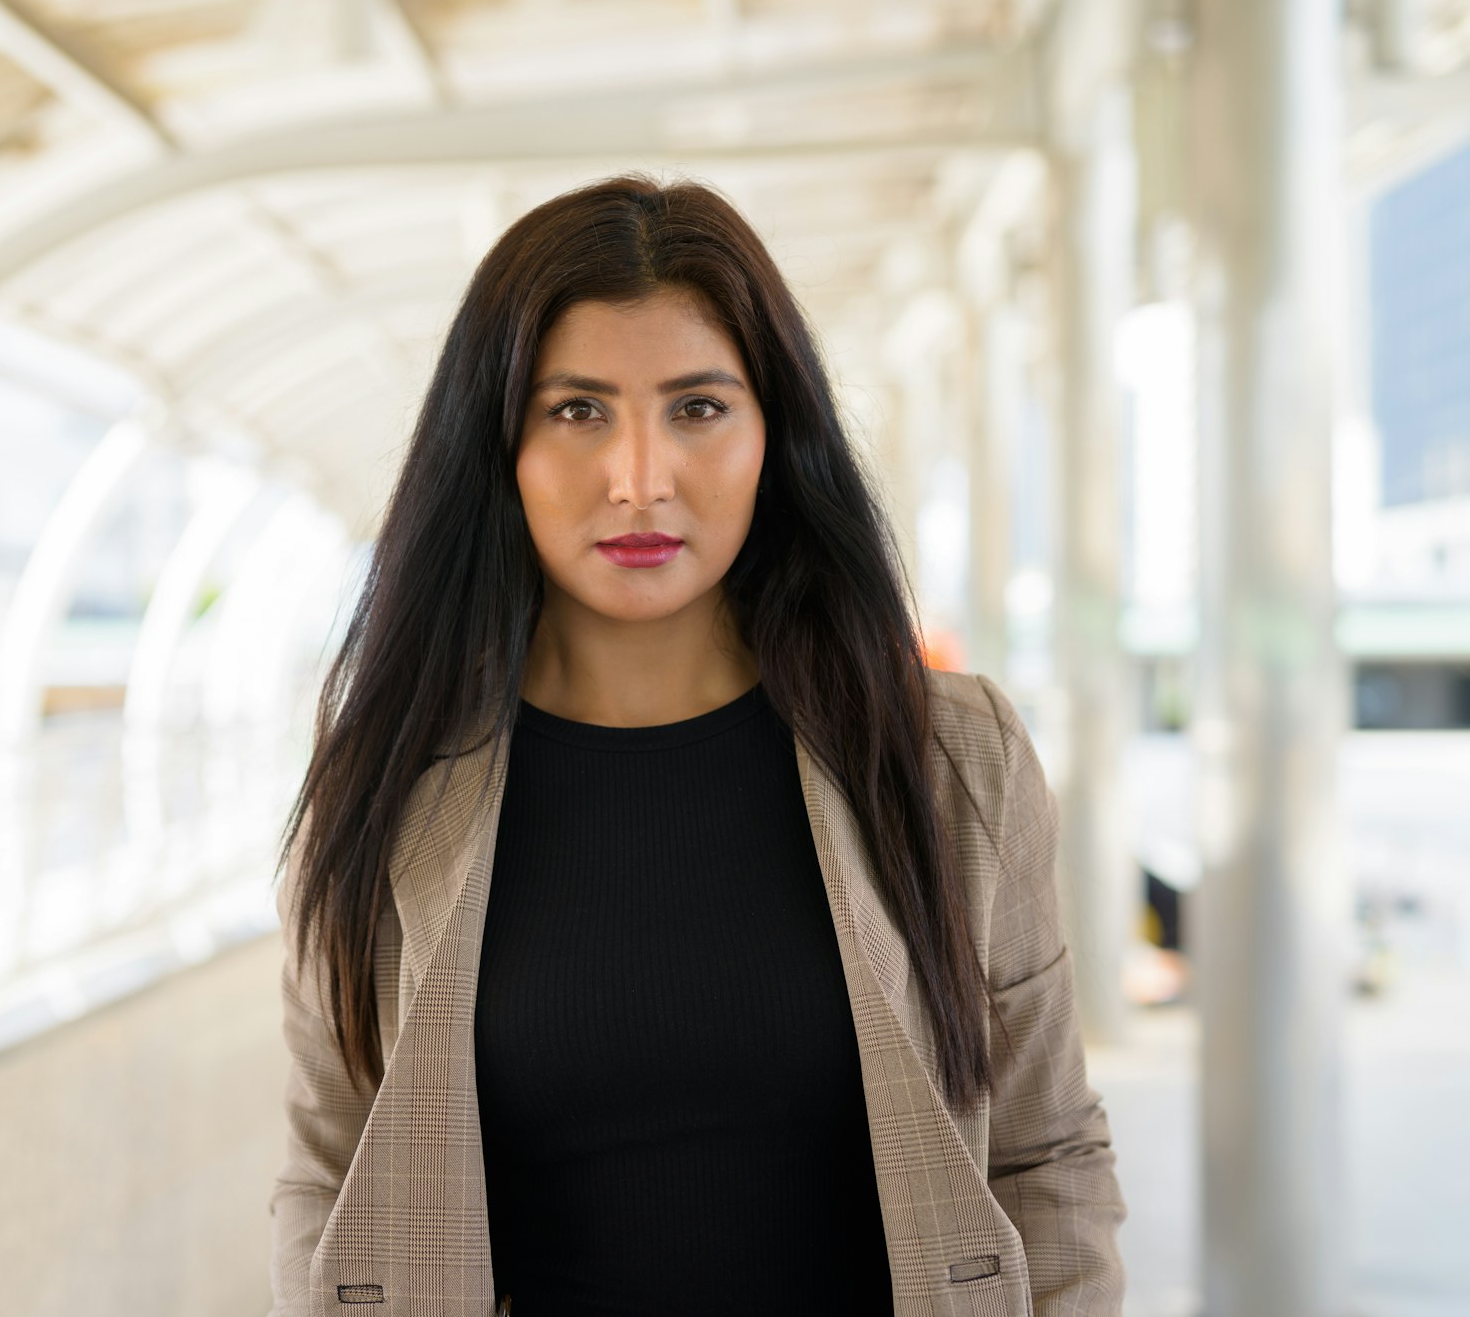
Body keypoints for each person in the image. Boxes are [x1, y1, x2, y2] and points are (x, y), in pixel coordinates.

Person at [267, 174, 1125, 1316]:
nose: (638, 480)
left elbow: (1045, 1153)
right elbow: (330, 1177)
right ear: (498, 447)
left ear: (775, 435)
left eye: (697, 408)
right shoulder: (386, 777)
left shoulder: (946, 761)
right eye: (575, 410)